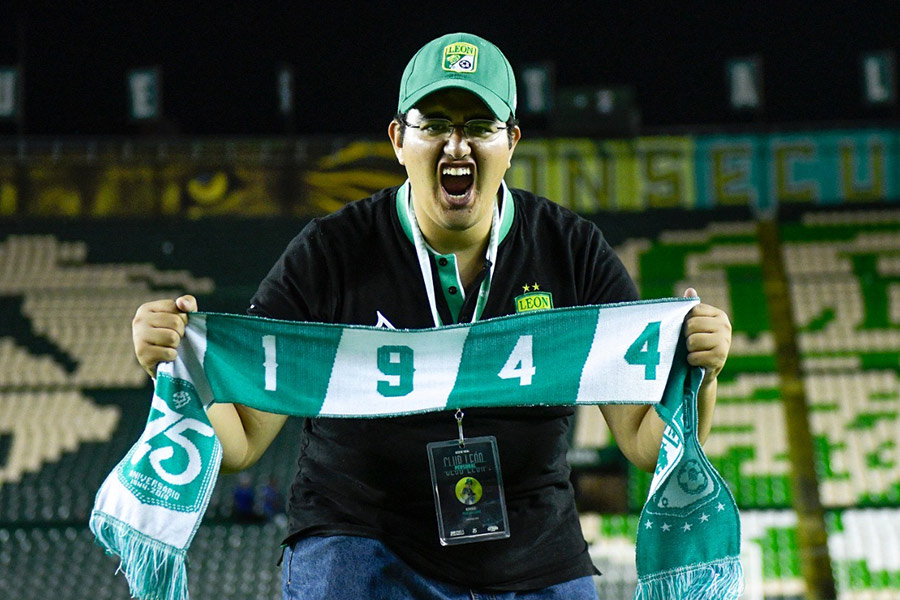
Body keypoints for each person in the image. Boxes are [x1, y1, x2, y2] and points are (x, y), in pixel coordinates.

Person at [131, 32, 731, 600]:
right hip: (362, 544)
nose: (456, 144)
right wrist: (177, 362)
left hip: (534, 551)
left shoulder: (570, 251)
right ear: (398, 139)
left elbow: (646, 444)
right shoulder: (331, 253)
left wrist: (700, 376)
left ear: (512, 142)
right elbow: (238, 444)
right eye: (435, 123)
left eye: (479, 126)